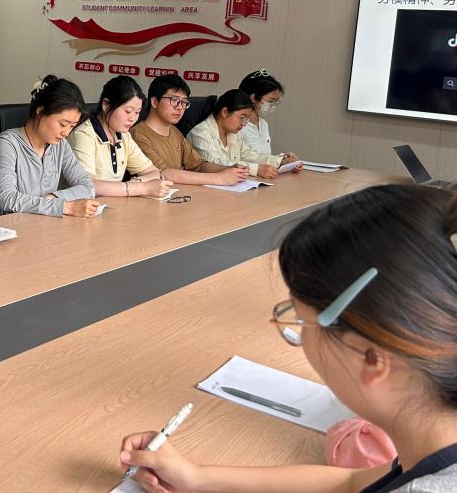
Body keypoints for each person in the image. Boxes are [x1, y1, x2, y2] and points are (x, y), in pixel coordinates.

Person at [119, 184, 457, 492]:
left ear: (369, 357)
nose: (298, 335)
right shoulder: (433, 440)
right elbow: (350, 483)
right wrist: (196, 478)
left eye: (301, 321)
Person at [0, 75, 99, 218]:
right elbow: (7, 199)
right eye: (63, 124)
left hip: (31, 219)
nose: (66, 133)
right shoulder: (8, 143)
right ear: (40, 112)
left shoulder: (60, 145)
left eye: (72, 126)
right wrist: (64, 207)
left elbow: (87, 187)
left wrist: (53, 198)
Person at [131, 75, 250, 186]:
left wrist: (228, 169)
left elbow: (198, 165)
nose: (180, 107)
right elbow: (164, 174)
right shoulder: (138, 135)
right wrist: (219, 178)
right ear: (154, 102)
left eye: (184, 102)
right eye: (174, 100)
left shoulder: (174, 131)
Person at [67, 76, 174, 198]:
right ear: (106, 105)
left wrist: (136, 182)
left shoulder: (124, 136)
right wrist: (140, 188)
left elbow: (155, 173)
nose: (132, 118)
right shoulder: (84, 135)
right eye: (128, 111)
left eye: (137, 112)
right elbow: (88, 186)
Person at [187, 90, 298, 178]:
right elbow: (215, 165)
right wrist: (256, 170)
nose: (244, 124)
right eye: (242, 118)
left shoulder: (233, 133)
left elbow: (250, 155)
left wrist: (280, 161)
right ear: (225, 112)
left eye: (247, 119)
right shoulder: (200, 134)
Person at [239, 69, 294, 157]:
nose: (273, 106)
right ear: (253, 98)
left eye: (275, 102)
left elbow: (263, 156)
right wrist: (277, 161)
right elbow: (239, 159)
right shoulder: (238, 125)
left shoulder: (263, 124)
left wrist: (282, 159)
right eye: (270, 101)